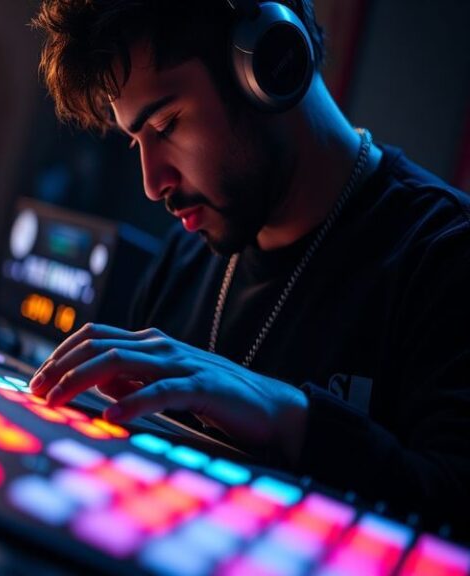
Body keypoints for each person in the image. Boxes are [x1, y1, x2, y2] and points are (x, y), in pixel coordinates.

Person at [28, 0, 470, 533]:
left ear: (268, 66)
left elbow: (454, 509)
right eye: (135, 141)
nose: (153, 183)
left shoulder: (446, 254)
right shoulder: (180, 262)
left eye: (166, 124)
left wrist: (288, 417)